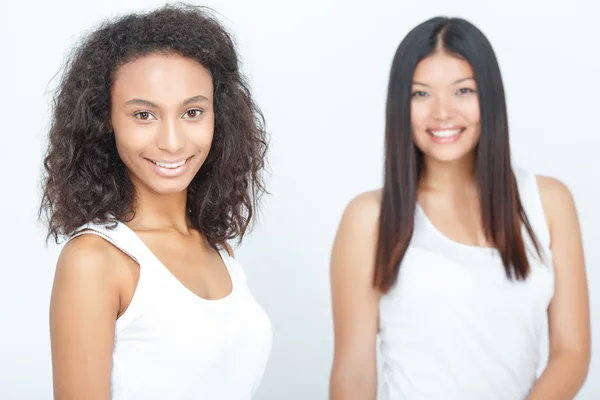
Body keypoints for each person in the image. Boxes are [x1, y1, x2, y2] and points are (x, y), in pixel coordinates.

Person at [329, 16, 590, 400]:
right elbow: (353, 375)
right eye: (421, 94)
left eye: (463, 91)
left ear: (490, 96)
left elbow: (572, 352)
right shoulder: (369, 217)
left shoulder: (549, 203)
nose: (443, 112)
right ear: (400, 103)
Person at [40, 5, 272, 399]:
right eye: (144, 115)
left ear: (221, 117)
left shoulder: (217, 247)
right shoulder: (96, 261)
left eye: (192, 112)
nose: (172, 141)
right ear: (105, 120)